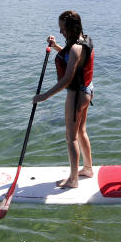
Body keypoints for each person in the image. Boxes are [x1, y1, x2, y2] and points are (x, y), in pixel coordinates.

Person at [33, 11, 94, 188]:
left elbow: (67, 79)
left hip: (76, 95)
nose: (61, 32)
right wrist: (56, 46)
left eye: (63, 29)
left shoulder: (76, 48)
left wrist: (43, 97)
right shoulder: (84, 40)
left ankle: (73, 179)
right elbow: (74, 58)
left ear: (72, 27)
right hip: (87, 90)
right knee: (81, 131)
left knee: (71, 138)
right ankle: (88, 169)